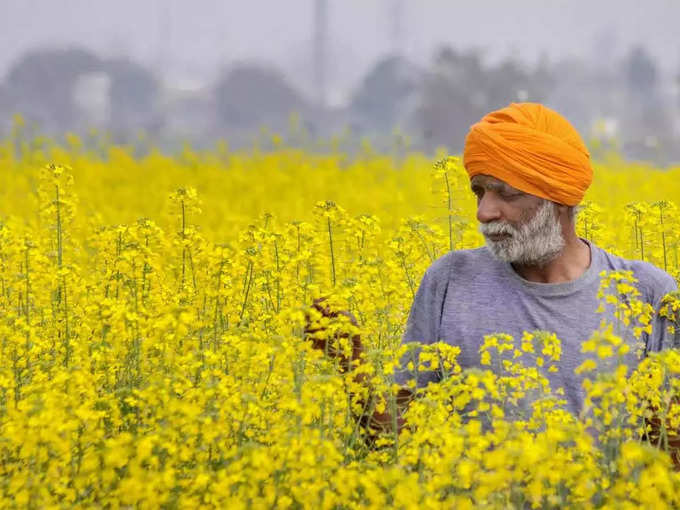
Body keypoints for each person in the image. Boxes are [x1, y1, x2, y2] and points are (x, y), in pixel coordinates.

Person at [304, 102, 678, 438]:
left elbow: (670, 453)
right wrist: (350, 367)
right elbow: (395, 439)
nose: (484, 212)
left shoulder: (647, 293)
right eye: (479, 192)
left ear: (559, 197)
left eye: (507, 194)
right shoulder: (450, 280)